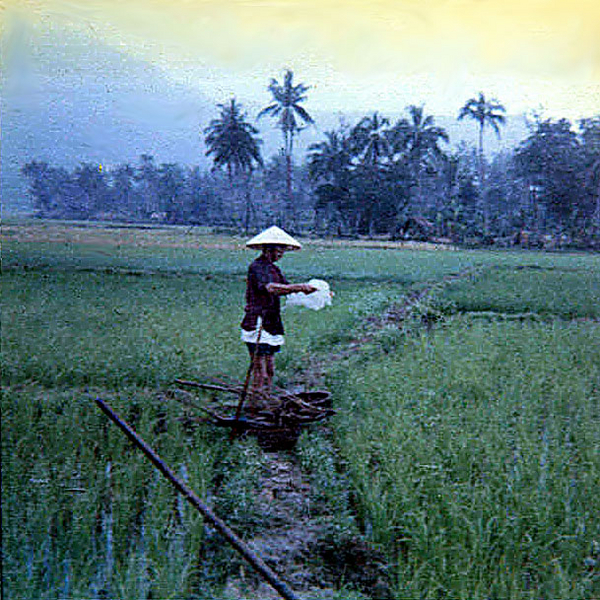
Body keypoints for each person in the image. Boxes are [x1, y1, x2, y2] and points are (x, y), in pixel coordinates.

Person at [240, 226, 316, 400]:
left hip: (271, 322)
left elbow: (287, 288)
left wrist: (315, 291)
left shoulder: (274, 269)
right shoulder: (257, 267)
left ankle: (266, 399)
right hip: (257, 321)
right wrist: (299, 287)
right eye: (278, 250)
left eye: (283, 251)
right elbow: (272, 288)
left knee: (270, 368)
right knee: (259, 369)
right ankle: (256, 403)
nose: (280, 254)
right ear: (267, 249)